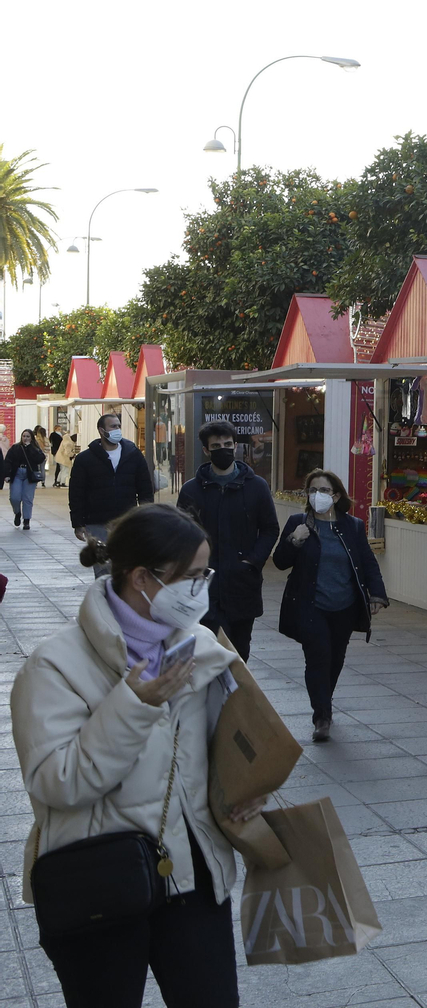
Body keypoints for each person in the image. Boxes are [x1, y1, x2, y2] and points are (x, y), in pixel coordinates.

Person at [11, 504, 266, 1007]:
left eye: (205, 574)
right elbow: (57, 782)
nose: (201, 588)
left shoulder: (200, 647)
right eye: (191, 576)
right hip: (99, 877)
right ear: (142, 578)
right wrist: (134, 705)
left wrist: (245, 789)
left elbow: (221, 750)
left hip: (191, 872)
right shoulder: (53, 666)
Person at [274, 469, 388, 743]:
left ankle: (325, 700)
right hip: (310, 605)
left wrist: (376, 594)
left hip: (344, 606)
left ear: (336, 496)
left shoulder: (352, 526)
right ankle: (322, 716)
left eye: (323, 490)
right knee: (318, 657)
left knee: (335, 659)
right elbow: (279, 561)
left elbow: (366, 561)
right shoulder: (298, 523)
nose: (317, 496)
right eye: (312, 490)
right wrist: (294, 540)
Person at [177, 421, 279, 661]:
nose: (223, 450)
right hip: (204, 586)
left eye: (227, 444)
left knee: (240, 652)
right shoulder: (192, 490)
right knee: (210, 653)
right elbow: (180, 533)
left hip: (242, 584)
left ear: (235, 446)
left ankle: (235, 686)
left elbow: (269, 529)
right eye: (216, 446)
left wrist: (252, 561)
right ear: (206, 450)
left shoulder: (256, 487)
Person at [69, 413, 155, 574]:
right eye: (113, 426)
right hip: (97, 522)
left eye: (119, 426)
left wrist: (146, 515)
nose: (117, 429)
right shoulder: (85, 459)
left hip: (126, 522)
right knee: (102, 569)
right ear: (102, 431)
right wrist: (78, 523)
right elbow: (76, 493)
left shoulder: (133, 455)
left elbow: (144, 487)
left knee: (126, 567)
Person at [5, 429, 47, 530]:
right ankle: (17, 512)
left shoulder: (35, 448)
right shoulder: (15, 447)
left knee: (27, 498)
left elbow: (40, 459)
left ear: (31, 438)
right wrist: (7, 475)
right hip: (17, 474)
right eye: (24, 436)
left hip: (29, 475)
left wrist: (30, 448)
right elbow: (8, 461)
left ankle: (26, 520)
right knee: (14, 497)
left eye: (28, 436)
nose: (25, 438)